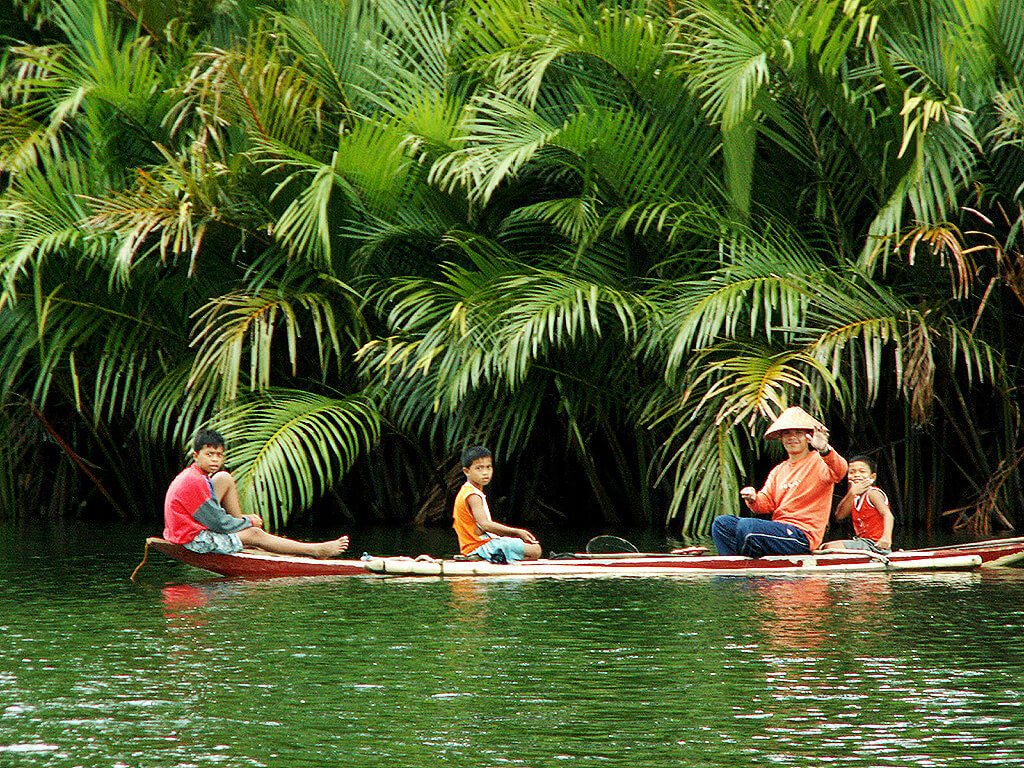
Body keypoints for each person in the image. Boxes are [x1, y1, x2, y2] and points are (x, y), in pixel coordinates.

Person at [163, 429, 349, 558]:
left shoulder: (196, 475)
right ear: (196, 456)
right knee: (255, 534)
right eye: (209, 454)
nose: (215, 459)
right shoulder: (195, 481)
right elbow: (218, 523)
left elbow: (215, 518)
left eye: (219, 455)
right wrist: (249, 522)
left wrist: (242, 522)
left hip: (187, 532)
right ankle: (316, 550)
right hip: (192, 541)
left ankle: (244, 535)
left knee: (224, 478)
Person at [711, 406, 848, 557]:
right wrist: (753, 498)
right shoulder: (779, 470)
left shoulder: (819, 460)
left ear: (808, 437)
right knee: (722, 523)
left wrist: (824, 449)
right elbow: (765, 503)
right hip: (779, 530)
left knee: (747, 526)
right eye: (787, 433)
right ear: (781, 438)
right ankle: (730, 563)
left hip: (802, 535)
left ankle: (744, 563)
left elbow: (840, 471)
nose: (792, 437)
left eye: (798, 433)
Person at [452, 446, 541, 563]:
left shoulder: (469, 491)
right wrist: (517, 532)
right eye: (479, 468)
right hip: (478, 546)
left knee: (528, 550)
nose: (485, 472)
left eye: (488, 467)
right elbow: (485, 525)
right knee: (536, 550)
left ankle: (495, 559)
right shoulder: (473, 495)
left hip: (475, 546)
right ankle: (486, 557)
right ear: (467, 471)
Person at [820, 455, 894, 553]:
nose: (856, 475)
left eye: (862, 471)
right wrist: (851, 493)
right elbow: (839, 516)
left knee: (830, 547)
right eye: (852, 472)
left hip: (875, 544)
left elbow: (888, 515)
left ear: (872, 477)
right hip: (862, 542)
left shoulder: (873, 493)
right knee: (822, 547)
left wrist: (886, 538)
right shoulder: (855, 496)